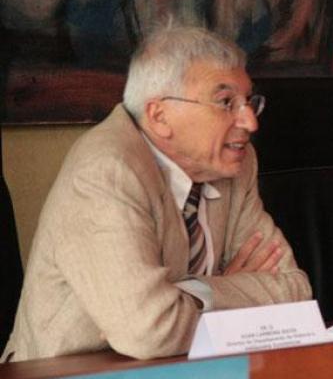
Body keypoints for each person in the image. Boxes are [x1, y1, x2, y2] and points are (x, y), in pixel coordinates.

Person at [3, 24, 312, 361]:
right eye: (226, 102)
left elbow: (294, 293)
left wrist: (198, 292)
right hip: (67, 377)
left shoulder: (235, 163)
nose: (250, 122)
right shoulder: (108, 170)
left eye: (249, 101)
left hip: (188, 372)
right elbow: (150, 332)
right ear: (160, 115)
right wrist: (232, 294)